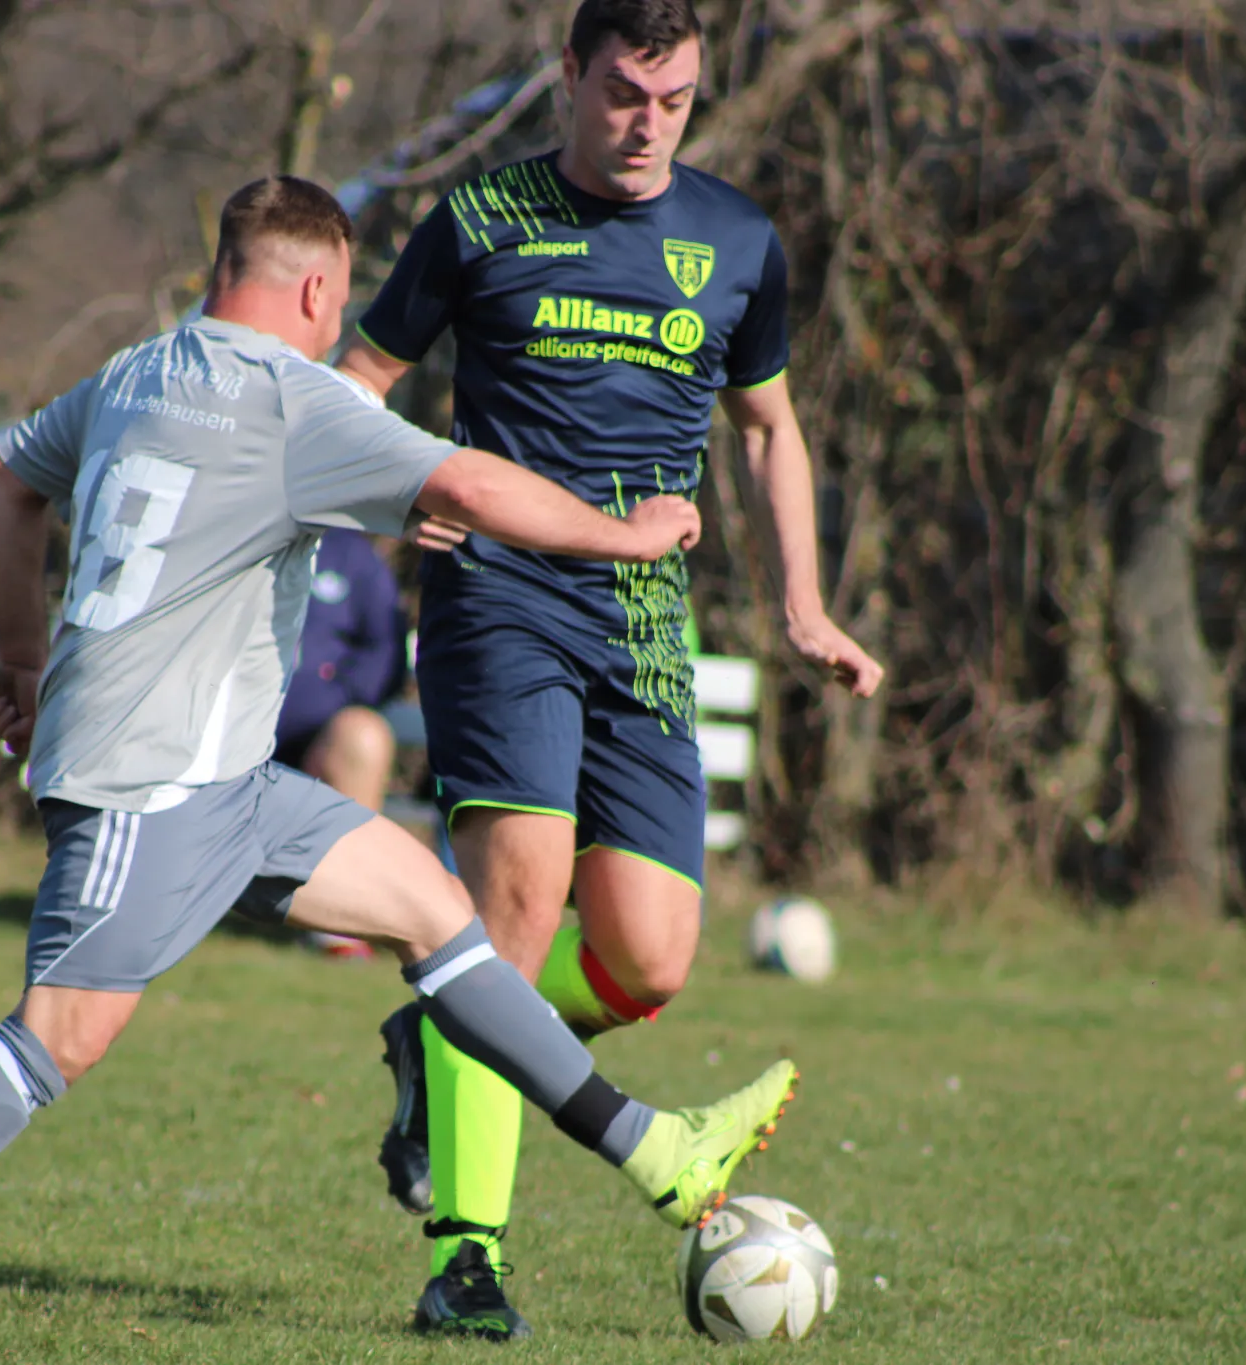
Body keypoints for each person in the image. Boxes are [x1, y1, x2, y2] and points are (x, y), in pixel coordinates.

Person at [0, 174, 800, 1354]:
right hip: (148, 782)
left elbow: (0, 479)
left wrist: (21, 653)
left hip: (232, 783)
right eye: (338, 304)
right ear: (314, 292)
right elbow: (464, 480)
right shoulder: (291, 397)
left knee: (436, 915)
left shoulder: (137, 371)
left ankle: (656, 1152)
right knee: (58, 1035)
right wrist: (627, 533)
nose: (336, 325)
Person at [334, 0, 885, 1340]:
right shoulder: (482, 218)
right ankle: (467, 1263)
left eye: (675, 100)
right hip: (498, 597)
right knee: (515, 908)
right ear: (570, 73)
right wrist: (398, 491)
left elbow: (769, 431)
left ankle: (444, 1031)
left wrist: (803, 604)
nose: (648, 125)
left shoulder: (737, 240)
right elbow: (355, 378)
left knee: (646, 959)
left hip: (643, 619)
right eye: (625, 95)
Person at [274, 526, 405, 957]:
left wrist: (337, 697)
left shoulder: (351, 554)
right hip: (218, 725)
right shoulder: (239, 530)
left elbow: (384, 652)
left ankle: (340, 926)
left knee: (362, 735)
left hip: (315, 736)